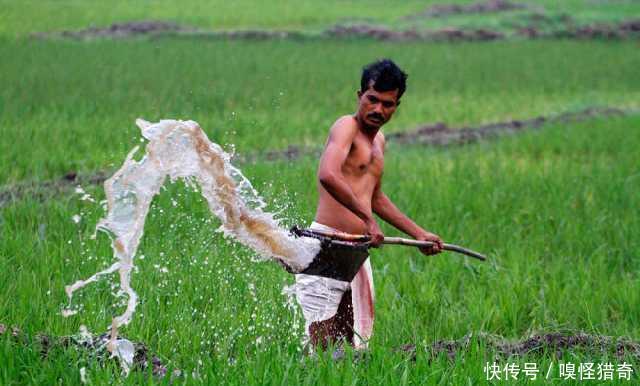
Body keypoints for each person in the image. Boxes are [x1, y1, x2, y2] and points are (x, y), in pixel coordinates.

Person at [294, 59, 444, 351]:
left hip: (356, 249)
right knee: (322, 347)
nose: (378, 110)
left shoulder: (379, 142)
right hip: (328, 244)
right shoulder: (346, 126)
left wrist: (419, 233)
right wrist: (368, 220)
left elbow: (375, 198)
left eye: (387, 104)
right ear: (359, 96)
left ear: (396, 106)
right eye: (372, 100)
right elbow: (328, 174)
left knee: (352, 346)